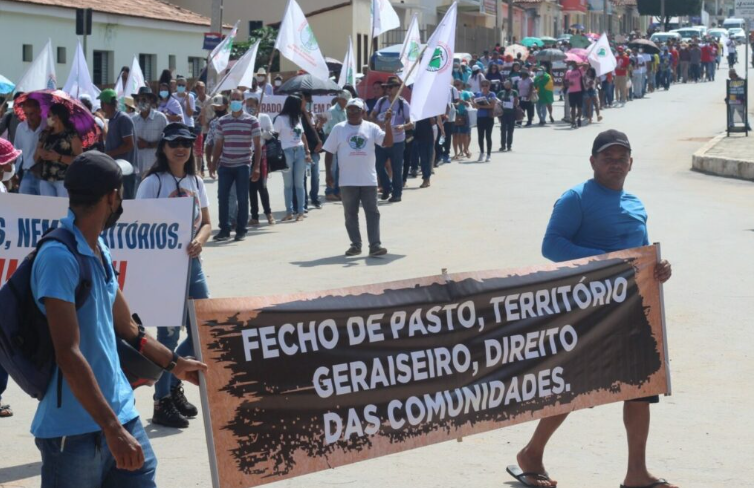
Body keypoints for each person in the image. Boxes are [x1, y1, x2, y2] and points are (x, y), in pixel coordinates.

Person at [508, 129, 675, 488]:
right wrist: (606, 261)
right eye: (607, 158)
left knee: (641, 386)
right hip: (588, 311)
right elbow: (552, 245)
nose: (615, 164)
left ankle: (636, 473)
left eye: (621, 158)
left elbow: (642, 254)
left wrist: (658, 269)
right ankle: (532, 453)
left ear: (630, 163)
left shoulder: (636, 204)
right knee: (575, 385)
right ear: (593, 162)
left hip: (633, 310)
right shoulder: (576, 198)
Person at [30, 150, 206, 487]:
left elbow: (128, 328)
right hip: (74, 432)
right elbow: (68, 352)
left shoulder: (98, 248)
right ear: (112, 197)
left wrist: (175, 364)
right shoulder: (57, 257)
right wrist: (111, 428)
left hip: (122, 415)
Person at [136, 123, 211, 428]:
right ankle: (161, 401)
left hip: (192, 264)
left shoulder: (196, 180)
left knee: (202, 327)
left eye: (186, 143)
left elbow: (207, 223)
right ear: (163, 148)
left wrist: (200, 240)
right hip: (163, 267)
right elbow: (138, 224)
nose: (181, 148)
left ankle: (173, 380)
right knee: (168, 334)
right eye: (174, 143)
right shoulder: (152, 182)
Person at [323, 98, 393, 257]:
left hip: (368, 179)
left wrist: (388, 124)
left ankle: (375, 245)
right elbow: (329, 152)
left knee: (372, 213)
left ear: (363, 112)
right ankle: (355, 245)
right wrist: (328, 173)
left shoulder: (372, 128)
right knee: (350, 214)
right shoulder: (338, 128)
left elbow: (388, 143)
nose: (352, 113)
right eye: (349, 110)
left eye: (356, 110)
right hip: (347, 180)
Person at [210, 90, 262, 241]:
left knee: (242, 198)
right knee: (223, 197)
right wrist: (213, 164)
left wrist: (256, 166)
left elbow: (258, 145)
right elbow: (218, 144)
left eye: (237, 99)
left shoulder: (252, 121)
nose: (234, 102)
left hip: (243, 164)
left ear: (243, 101)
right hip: (225, 164)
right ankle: (224, 229)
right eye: (232, 99)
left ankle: (241, 229)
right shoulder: (222, 121)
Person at [370, 76, 411, 203]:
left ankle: (397, 193)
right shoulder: (382, 101)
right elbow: (372, 115)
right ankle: (386, 187)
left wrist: (403, 126)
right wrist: (377, 122)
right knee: (378, 166)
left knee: (396, 168)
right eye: (387, 87)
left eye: (391, 87)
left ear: (398, 88)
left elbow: (411, 123)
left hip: (397, 141)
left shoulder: (403, 104)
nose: (388, 89)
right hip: (381, 139)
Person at [272, 95, 311, 221]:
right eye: (300, 104)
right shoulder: (280, 119)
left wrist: (307, 151)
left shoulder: (298, 117)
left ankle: (300, 212)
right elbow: (274, 136)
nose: (301, 107)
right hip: (286, 152)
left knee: (299, 183)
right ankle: (289, 212)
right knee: (288, 184)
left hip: (300, 151)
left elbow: (303, 135)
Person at [35, 103, 83, 197]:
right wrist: (40, 151)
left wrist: (59, 157)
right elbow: (35, 158)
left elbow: (80, 160)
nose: (47, 118)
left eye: (49, 115)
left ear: (56, 117)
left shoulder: (72, 135)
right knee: (47, 206)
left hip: (63, 180)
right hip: (45, 179)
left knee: (62, 205)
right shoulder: (46, 133)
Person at [99, 89, 137, 198]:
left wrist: (108, 154)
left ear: (106, 104)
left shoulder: (123, 119)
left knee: (126, 203)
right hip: (116, 170)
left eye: (102, 103)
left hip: (126, 171)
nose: (101, 106)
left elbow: (129, 145)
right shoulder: (112, 120)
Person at [244, 95, 275, 226]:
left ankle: (268, 213)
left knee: (262, 186)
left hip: (261, 155)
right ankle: (254, 216)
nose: (249, 108)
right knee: (251, 188)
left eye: (252, 105)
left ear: (257, 106)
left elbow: (270, 134)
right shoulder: (244, 118)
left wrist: (260, 130)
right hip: (247, 154)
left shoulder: (264, 117)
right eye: (248, 105)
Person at [132, 86, 168, 177]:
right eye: (138, 100)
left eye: (144, 99)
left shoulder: (160, 118)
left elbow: (167, 141)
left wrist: (148, 144)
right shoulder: (134, 120)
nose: (141, 102)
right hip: (138, 168)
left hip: (155, 167)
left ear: (151, 100)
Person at [14, 96, 45, 195]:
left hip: (45, 176)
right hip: (27, 173)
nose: (29, 118)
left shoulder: (47, 126)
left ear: (39, 111)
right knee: (23, 203)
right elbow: (17, 151)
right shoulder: (21, 127)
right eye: (26, 114)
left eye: (32, 114)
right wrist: (15, 172)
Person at [324, 91, 351, 202]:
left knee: (340, 167)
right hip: (333, 140)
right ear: (340, 99)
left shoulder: (344, 110)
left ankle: (337, 190)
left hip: (342, 141)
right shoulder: (332, 111)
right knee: (333, 167)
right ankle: (330, 191)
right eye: (345, 101)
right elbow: (334, 130)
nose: (346, 103)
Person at [473, 79, 498, 162]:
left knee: (488, 136)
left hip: (488, 117)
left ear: (489, 86)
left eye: (486, 85)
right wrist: (475, 104)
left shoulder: (492, 94)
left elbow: (492, 106)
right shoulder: (478, 94)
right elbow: (474, 105)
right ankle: (482, 152)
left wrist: (481, 106)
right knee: (480, 136)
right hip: (480, 117)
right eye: (483, 85)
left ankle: (488, 154)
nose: (484, 87)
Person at [192, 81, 210, 176]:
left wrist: (211, 122)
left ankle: (211, 166)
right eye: (198, 88)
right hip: (201, 129)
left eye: (202, 88)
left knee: (210, 148)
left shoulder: (210, 100)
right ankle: (201, 170)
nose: (200, 90)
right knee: (200, 149)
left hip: (210, 128)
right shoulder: (194, 102)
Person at [497, 79, 518, 152]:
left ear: (511, 85)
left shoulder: (514, 92)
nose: (507, 86)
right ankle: (503, 145)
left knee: (510, 130)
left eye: (508, 85)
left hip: (511, 113)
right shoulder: (501, 92)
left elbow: (516, 102)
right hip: (503, 113)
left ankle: (509, 145)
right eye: (505, 85)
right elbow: (497, 102)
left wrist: (511, 104)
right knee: (503, 130)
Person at [453, 80, 473, 159]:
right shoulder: (452, 92)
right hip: (454, 115)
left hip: (464, 115)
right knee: (455, 135)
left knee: (464, 134)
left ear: (461, 85)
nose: (456, 86)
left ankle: (466, 149)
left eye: (458, 85)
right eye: (455, 85)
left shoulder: (465, 93)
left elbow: (470, 104)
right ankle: (457, 153)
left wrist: (462, 102)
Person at [564, 62, 584, 128]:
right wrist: (569, 83)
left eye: (574, 63)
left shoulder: (580, 70)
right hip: (571, 91)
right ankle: (573, 121)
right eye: (572, 64)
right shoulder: (568, 72)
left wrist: (579, 64)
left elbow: (586, 65)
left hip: (579, 90)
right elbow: (566, 81)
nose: (573, 65)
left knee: (579, 106)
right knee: (573, 107)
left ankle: (579, 119)